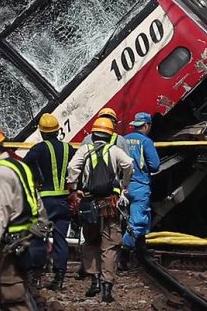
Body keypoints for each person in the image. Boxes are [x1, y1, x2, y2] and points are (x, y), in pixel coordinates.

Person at [0, 120, 49, 311]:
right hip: (28, 236)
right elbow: (37, 202)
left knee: (13, 294)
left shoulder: (2, 174)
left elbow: (0, 215)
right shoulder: (18, 166)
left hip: (15, 241)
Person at [67, 117, 133, 303]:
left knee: (90, 241)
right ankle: (107, 287)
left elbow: (72, 167)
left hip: (89, 203)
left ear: (93, 134)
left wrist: (73, 188)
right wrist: (124, 184)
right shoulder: (114, 150)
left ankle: (94, 280)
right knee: (110, 244)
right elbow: (128, 164)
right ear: (110, 134)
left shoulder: (85, 150)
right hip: (109, 202)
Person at [23, 113, 76, 291]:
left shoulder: (38, 149)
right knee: (61, 239)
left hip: (46, 200)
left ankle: (36, 275)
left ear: (42, 132)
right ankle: (59, 277)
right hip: (64, 201)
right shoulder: (69, 148)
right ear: (57, 130)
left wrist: (35, 178)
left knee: (38, 237)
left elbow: (24, 165)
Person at [122, 112, 160, 252]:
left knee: (125, 220)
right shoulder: (146, 142)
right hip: (139, 186)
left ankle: (139, 249)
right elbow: (155, 165)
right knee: (139, 221)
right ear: (146, 125)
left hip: (123, 186)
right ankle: (124, 252)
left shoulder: (123, 140)